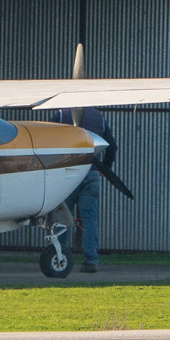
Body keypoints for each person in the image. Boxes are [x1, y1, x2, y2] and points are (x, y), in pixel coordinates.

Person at [53, 108, 118, 273]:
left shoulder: (60, 115)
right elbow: (112, 146)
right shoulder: (99, 117)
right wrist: (105, 168)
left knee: (62, 219)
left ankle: (59, 257)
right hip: (92, 172)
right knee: (89, 219)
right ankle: (91, 260)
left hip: (67, 173)